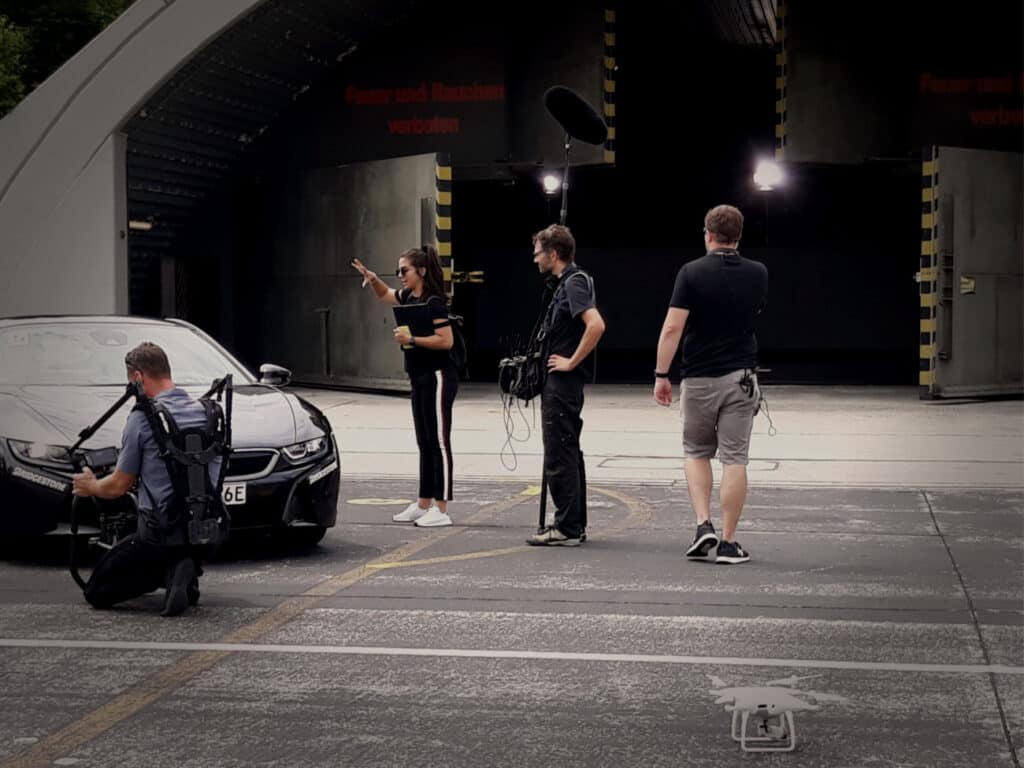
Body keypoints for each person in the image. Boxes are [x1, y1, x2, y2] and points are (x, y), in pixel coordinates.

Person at [653, 204, 768, 564]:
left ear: (708, 234)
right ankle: (731, 543)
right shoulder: (758, 273)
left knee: (696, 452)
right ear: (739, 235)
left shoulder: (690, 273)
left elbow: (672, 328)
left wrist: (661, 375)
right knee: (735, 459)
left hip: (699, 377)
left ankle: (704, 526)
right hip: (741, 378)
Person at [72, 342, 222, 615]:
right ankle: (186, 566)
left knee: (96, 592)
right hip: (205, 533)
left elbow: (118, 486)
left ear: (138, 377)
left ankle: (169, 571)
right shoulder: (209, 414)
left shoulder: (142, 419)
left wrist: (91, 485)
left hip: (158, 536)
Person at [352, 245, 458, 527]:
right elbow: (386, 296)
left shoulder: (434, 302)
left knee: (439, 441)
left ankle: (442, 507)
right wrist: (373, 279)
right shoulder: (410, 296)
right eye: (398, 270)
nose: (400, 275)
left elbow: (446, 340)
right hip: (419, 375)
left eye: (404, 270)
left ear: (421, 271)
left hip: (438, 376)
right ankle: (423, 503)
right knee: (423, 441)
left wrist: (412, 340)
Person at [526, 224, 605, 547]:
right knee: (567, 450)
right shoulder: (567, 284)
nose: (535, 260)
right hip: (561, 383)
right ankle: (572, 522)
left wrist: (571, 361)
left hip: (563, 383)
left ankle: (567, 527)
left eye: (538, 254)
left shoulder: (573, 284)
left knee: (559, 452)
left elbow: (596, 324)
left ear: (553, 254)